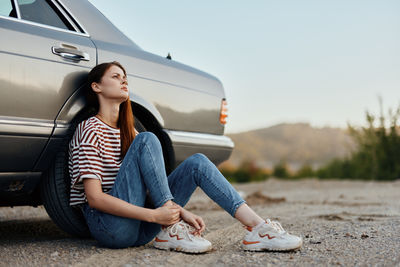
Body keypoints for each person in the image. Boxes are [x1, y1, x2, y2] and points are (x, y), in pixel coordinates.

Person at [68, 61, 303, 252]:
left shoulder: (131, 133)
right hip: (110, 227)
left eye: (125, 78)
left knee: (197, 162)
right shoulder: (89, 129)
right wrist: (155, 215)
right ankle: (170, 228)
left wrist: (179, 211)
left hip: (142, 228)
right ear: (97, 87)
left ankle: (257, 228)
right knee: (148, 139)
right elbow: (95, 199)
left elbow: (148, 188)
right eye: (116, 76)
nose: (124, 81)